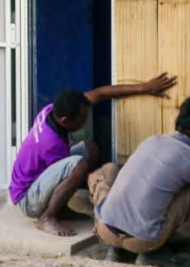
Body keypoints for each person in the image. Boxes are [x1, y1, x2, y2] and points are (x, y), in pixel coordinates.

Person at [9, 73, 177, 237]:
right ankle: (47, 217)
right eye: (81, 120)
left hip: (39, 179)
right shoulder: (51, 143)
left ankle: (61, 209)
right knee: (78, 166)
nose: (84, 122)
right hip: (28, 199)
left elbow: (101, 93)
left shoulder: (53, 110)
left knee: (90, 148)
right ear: (65, 120)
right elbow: (65, 177)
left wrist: (145, 87)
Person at [88, 97, 190, 265]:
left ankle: (115, 249)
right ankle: (152, 254)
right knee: (189, 193)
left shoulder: (151, 140)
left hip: (105, 230)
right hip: (142, 241)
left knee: (107, 171)